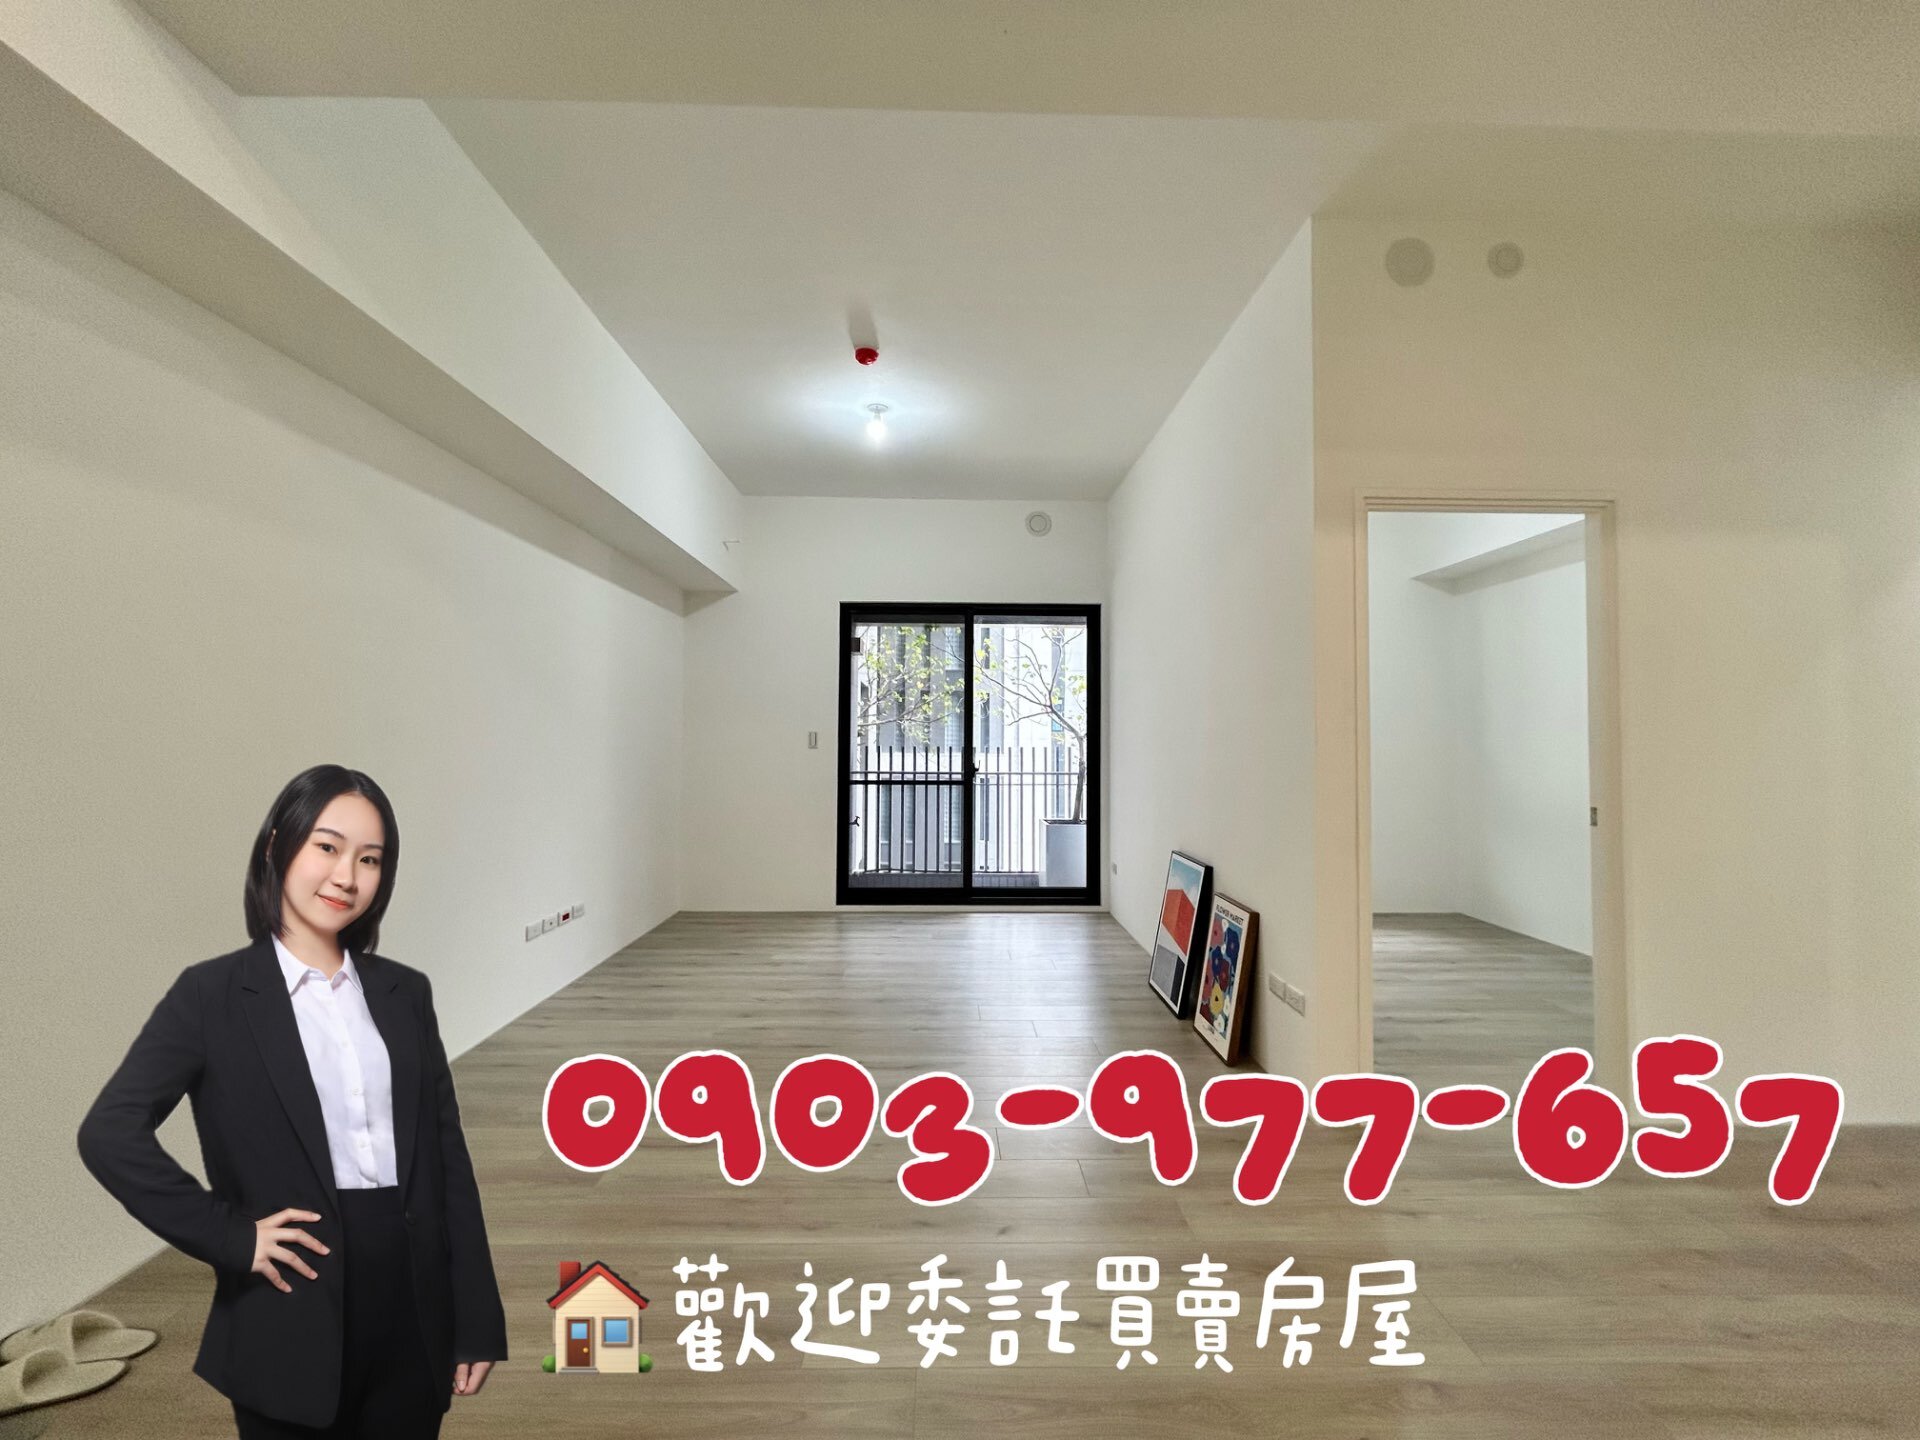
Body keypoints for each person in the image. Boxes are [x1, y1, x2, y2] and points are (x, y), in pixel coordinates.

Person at [77, 765, 508, 1437]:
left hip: (411, 1313)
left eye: (370, 859)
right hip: (286, 1314)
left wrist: (476, 1316)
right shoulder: (210, 995)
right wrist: (230, 1236)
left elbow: (447, 1160)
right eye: (327, 847)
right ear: (279, 846)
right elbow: (109, 1132)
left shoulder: (404, 993)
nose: (347, 876)